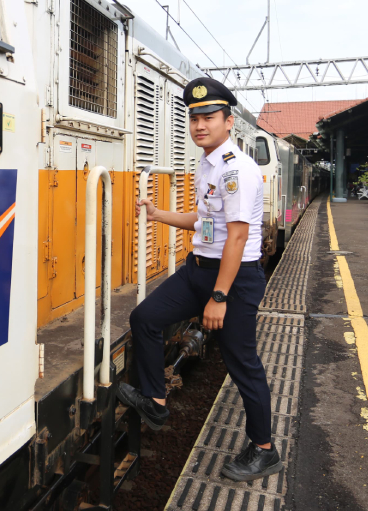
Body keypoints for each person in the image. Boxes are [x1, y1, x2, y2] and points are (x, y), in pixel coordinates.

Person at [117, 77, 283, 482]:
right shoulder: (207, 164)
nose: (199, 125)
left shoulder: (238, 169)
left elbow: (239, 236)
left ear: (229, 122)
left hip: (234, 278)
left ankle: (264, 449)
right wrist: (158, 215)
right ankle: (156, 401)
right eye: (194, 118)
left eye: (209, 116)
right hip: (198, 269)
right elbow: (203, 220)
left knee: (242, 363)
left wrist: (220, 297)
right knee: (145, 318)